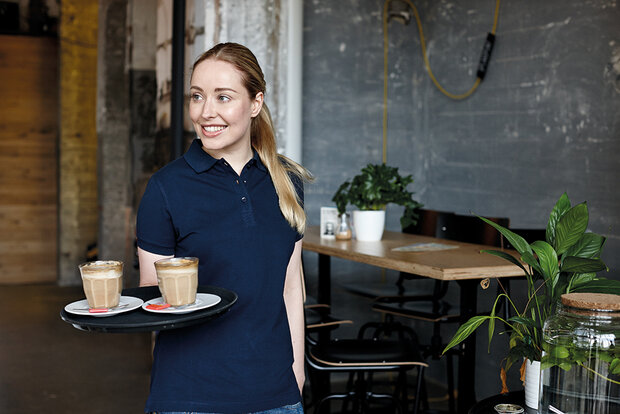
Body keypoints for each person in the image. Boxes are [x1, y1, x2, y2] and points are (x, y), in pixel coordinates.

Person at [136, 42, 312, 413]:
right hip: (188, 395)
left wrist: (297, 369)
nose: (205, 112)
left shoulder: (287, 180)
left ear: (255, 103)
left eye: (223, 97)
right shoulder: (165, 188)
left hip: (275, 393)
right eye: (197, 96)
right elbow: (153, 299)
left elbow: (291, 285)